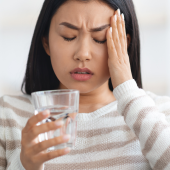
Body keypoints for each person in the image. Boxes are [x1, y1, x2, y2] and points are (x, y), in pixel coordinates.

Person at [0, 0, 170, 169]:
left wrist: (127, 90)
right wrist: (24, 165)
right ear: (46, 42)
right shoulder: (8, 115)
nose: (83, 54)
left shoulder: (158, 113)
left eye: (99, 39)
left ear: (122, 43)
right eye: (69, 36)